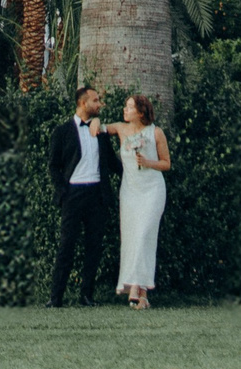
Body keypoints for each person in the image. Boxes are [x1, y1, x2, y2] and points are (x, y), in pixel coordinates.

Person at [101, 93, 172, 309]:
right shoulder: (121, 129)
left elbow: (166, 163)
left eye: (130, 107)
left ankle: (134, 286)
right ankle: (143, 296)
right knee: (132, 238)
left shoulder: (155, 132)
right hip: (130, 192)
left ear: (141, 112)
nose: (125, 110)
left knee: (144, 236)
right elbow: (101, 128)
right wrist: (94, 122)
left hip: (152, 191)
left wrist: (148, 162)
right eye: (126, 106)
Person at [48, 85, 116, 307]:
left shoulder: (101, 132)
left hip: (97, 194)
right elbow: (53, 166)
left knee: (94, 246)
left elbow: (113, 162)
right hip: (73, 194)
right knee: (66, 245)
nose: (99, 104)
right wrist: (63, 191)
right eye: (95, 100)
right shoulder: (62, 131)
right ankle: (55, 297)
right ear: (83, 103)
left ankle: (86, 295)